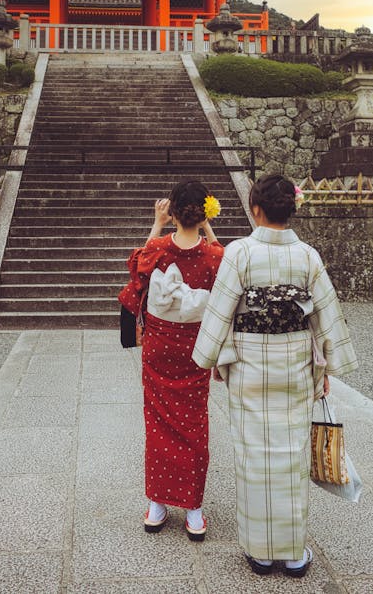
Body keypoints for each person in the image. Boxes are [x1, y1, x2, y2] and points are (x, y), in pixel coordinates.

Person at [192, 174, 358, 578]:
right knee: (291, 456)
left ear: (256, 210)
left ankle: (261, 553)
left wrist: (210, 357)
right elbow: (325, 315)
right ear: (291, 210)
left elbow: (221, 311)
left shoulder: (239, 253)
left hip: (249, 365)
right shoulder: (307, 256)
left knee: (253, 456)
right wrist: (328, 364)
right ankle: (294, 552)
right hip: (296, 365)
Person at [119, 179, 224, 541]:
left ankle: (157, 505)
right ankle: (193, 509)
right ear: (204, 211)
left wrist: (157, 224)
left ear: (173, 211)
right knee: (194, 425)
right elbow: (224, 270)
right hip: (195, 349)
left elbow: (138, 269)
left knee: (158, 424)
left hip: (160, 346)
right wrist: (209, 227)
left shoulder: (159, 249)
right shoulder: (214, 256)